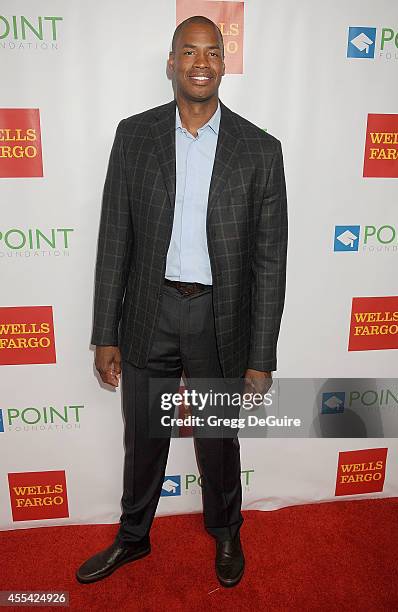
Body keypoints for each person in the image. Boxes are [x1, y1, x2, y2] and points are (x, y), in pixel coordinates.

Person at [76, 15, 287, 588]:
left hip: (221, 319)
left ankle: (227, 531)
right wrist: (106, 332)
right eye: (188, 52)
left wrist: (261, 356)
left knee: (219, 440)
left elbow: (270, 262)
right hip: (151, 311)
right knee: (144, 436)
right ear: (171, 63)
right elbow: (114, 238)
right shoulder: (134, 135)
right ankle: (133, 537)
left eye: (212, 52)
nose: (200, 63)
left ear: (224, 63)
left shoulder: (260, 151)